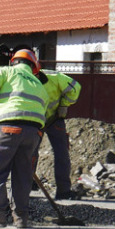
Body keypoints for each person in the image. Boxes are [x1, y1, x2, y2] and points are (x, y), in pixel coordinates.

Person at [0, 48, 48, 229]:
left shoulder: (5, 72)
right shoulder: (38, 84)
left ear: (13, 61)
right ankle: (21, 218)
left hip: (7, 129)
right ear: (33, 66)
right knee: (23, 175)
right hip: (33, 132)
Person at [36, 66, 81, 199]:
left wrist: (64, 104)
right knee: (29, 153)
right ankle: (24, 187)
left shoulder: (54, 77)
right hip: (35, 120)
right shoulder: (22, 78)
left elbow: (75, 87)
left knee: (61, 153)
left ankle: (63, 190)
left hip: (54, 118)